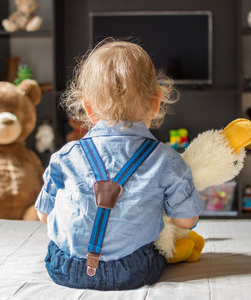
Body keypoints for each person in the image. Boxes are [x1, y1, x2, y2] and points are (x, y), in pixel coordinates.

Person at [35, 40, 204, 290]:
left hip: (64, 268)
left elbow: (43, 215)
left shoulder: (65, 155)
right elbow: (186, 221)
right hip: (134, 269)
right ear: (156, 103)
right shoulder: (166, 159)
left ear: (88, 109)